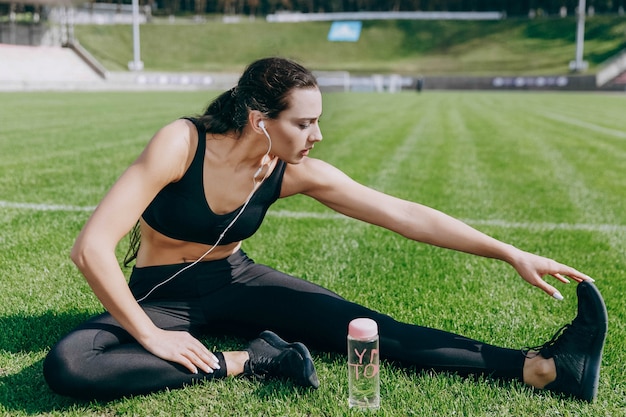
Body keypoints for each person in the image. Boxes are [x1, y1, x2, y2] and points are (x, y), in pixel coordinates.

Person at [43, 57, 608, 403]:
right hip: (161, 295)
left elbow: (404, 214)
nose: (317, 134)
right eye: (304, 122)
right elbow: (91, 247)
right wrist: (150, 335)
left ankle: (544, 369)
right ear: (261, 121)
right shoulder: (182, 145)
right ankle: (254, 359)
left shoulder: (295, 173)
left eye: (318, 120)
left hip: (236, 280)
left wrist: (508, 252)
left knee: (372, 333)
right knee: (72, 362)